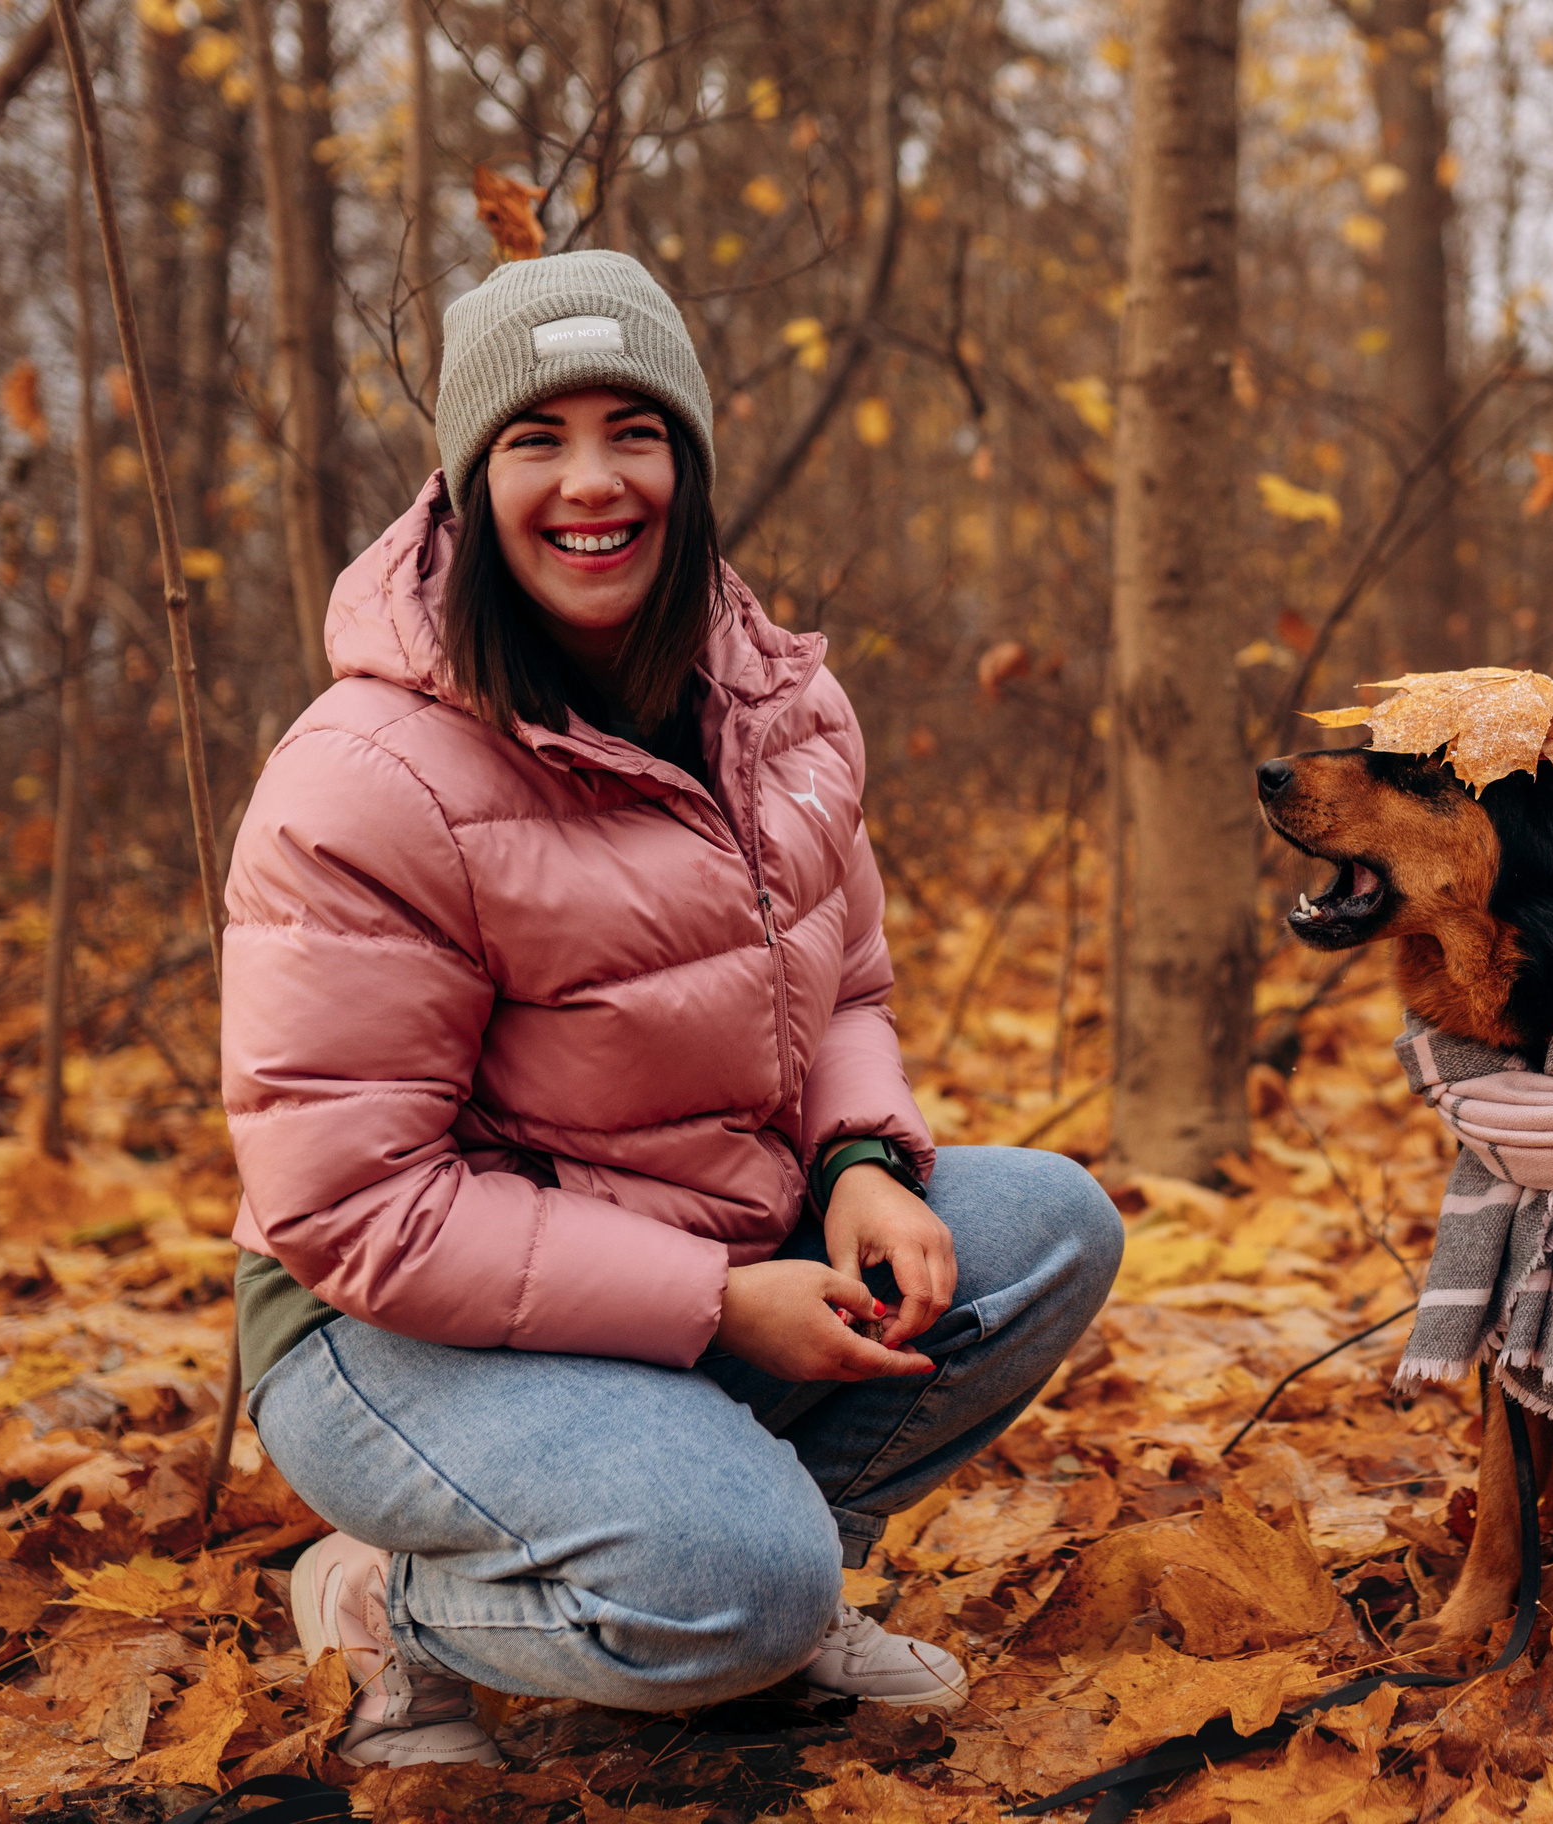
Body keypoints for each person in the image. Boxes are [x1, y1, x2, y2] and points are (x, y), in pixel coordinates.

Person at [223, 251, 1122, 1768]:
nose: (595, 481)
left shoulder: (775, 705)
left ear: (688, 463)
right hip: (391, 1332)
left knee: (1046, 1227)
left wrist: (857, 1166)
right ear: (469, 483)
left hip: (689, 1246)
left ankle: (758, 1587)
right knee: (731, 1588)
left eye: (633, 431)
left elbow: (843, 980)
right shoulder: (366, 779)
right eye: (538, 439)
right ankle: (405, 1602)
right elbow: (357, 1208)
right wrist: (714, 1300)